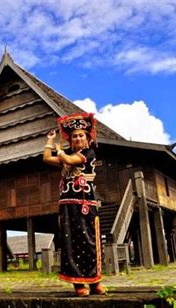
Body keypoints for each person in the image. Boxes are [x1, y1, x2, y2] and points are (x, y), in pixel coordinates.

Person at [43, 113, 105, 297]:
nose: (78, 138)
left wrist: (59, 150)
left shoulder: (88, 153)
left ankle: (95, 282)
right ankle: (78, 284)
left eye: (81, 135)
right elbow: (47, 158)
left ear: (87, 138)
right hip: (67, 204)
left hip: (85, 202)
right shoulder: (67, 154)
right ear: (70, 139)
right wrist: (50, 141)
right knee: (71, 242)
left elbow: (69, 161)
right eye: (74, 136)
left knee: (90, 240)